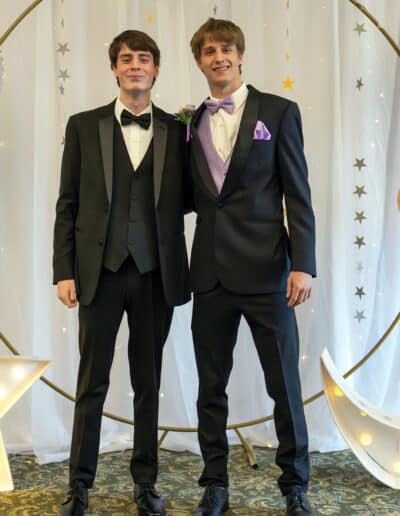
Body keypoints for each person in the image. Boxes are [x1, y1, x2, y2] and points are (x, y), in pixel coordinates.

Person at [53, 29, 190, 516]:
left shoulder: (178, 129)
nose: (135, 65)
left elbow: (196, 197)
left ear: (156, 69)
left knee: (148, 383)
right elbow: (67, 204)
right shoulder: (83, 126)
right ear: (114, 68)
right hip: (99, 272)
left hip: (155, 274)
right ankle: (79, 484)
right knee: (92, 382)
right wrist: (63, 270)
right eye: (126, 59)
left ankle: (145, 483)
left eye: (144, 58)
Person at [188, 18, 316, 516]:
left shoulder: (279, 112)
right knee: (210, 388)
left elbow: (297, 193)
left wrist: (303, 264)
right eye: (209, 51)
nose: (218, 57)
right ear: (199, 61)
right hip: (210, 275)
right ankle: (214, 484)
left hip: (268, 273)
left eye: (226, 49)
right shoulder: (188, 123)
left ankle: (295, 486)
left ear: (240, 55)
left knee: (284, 385)